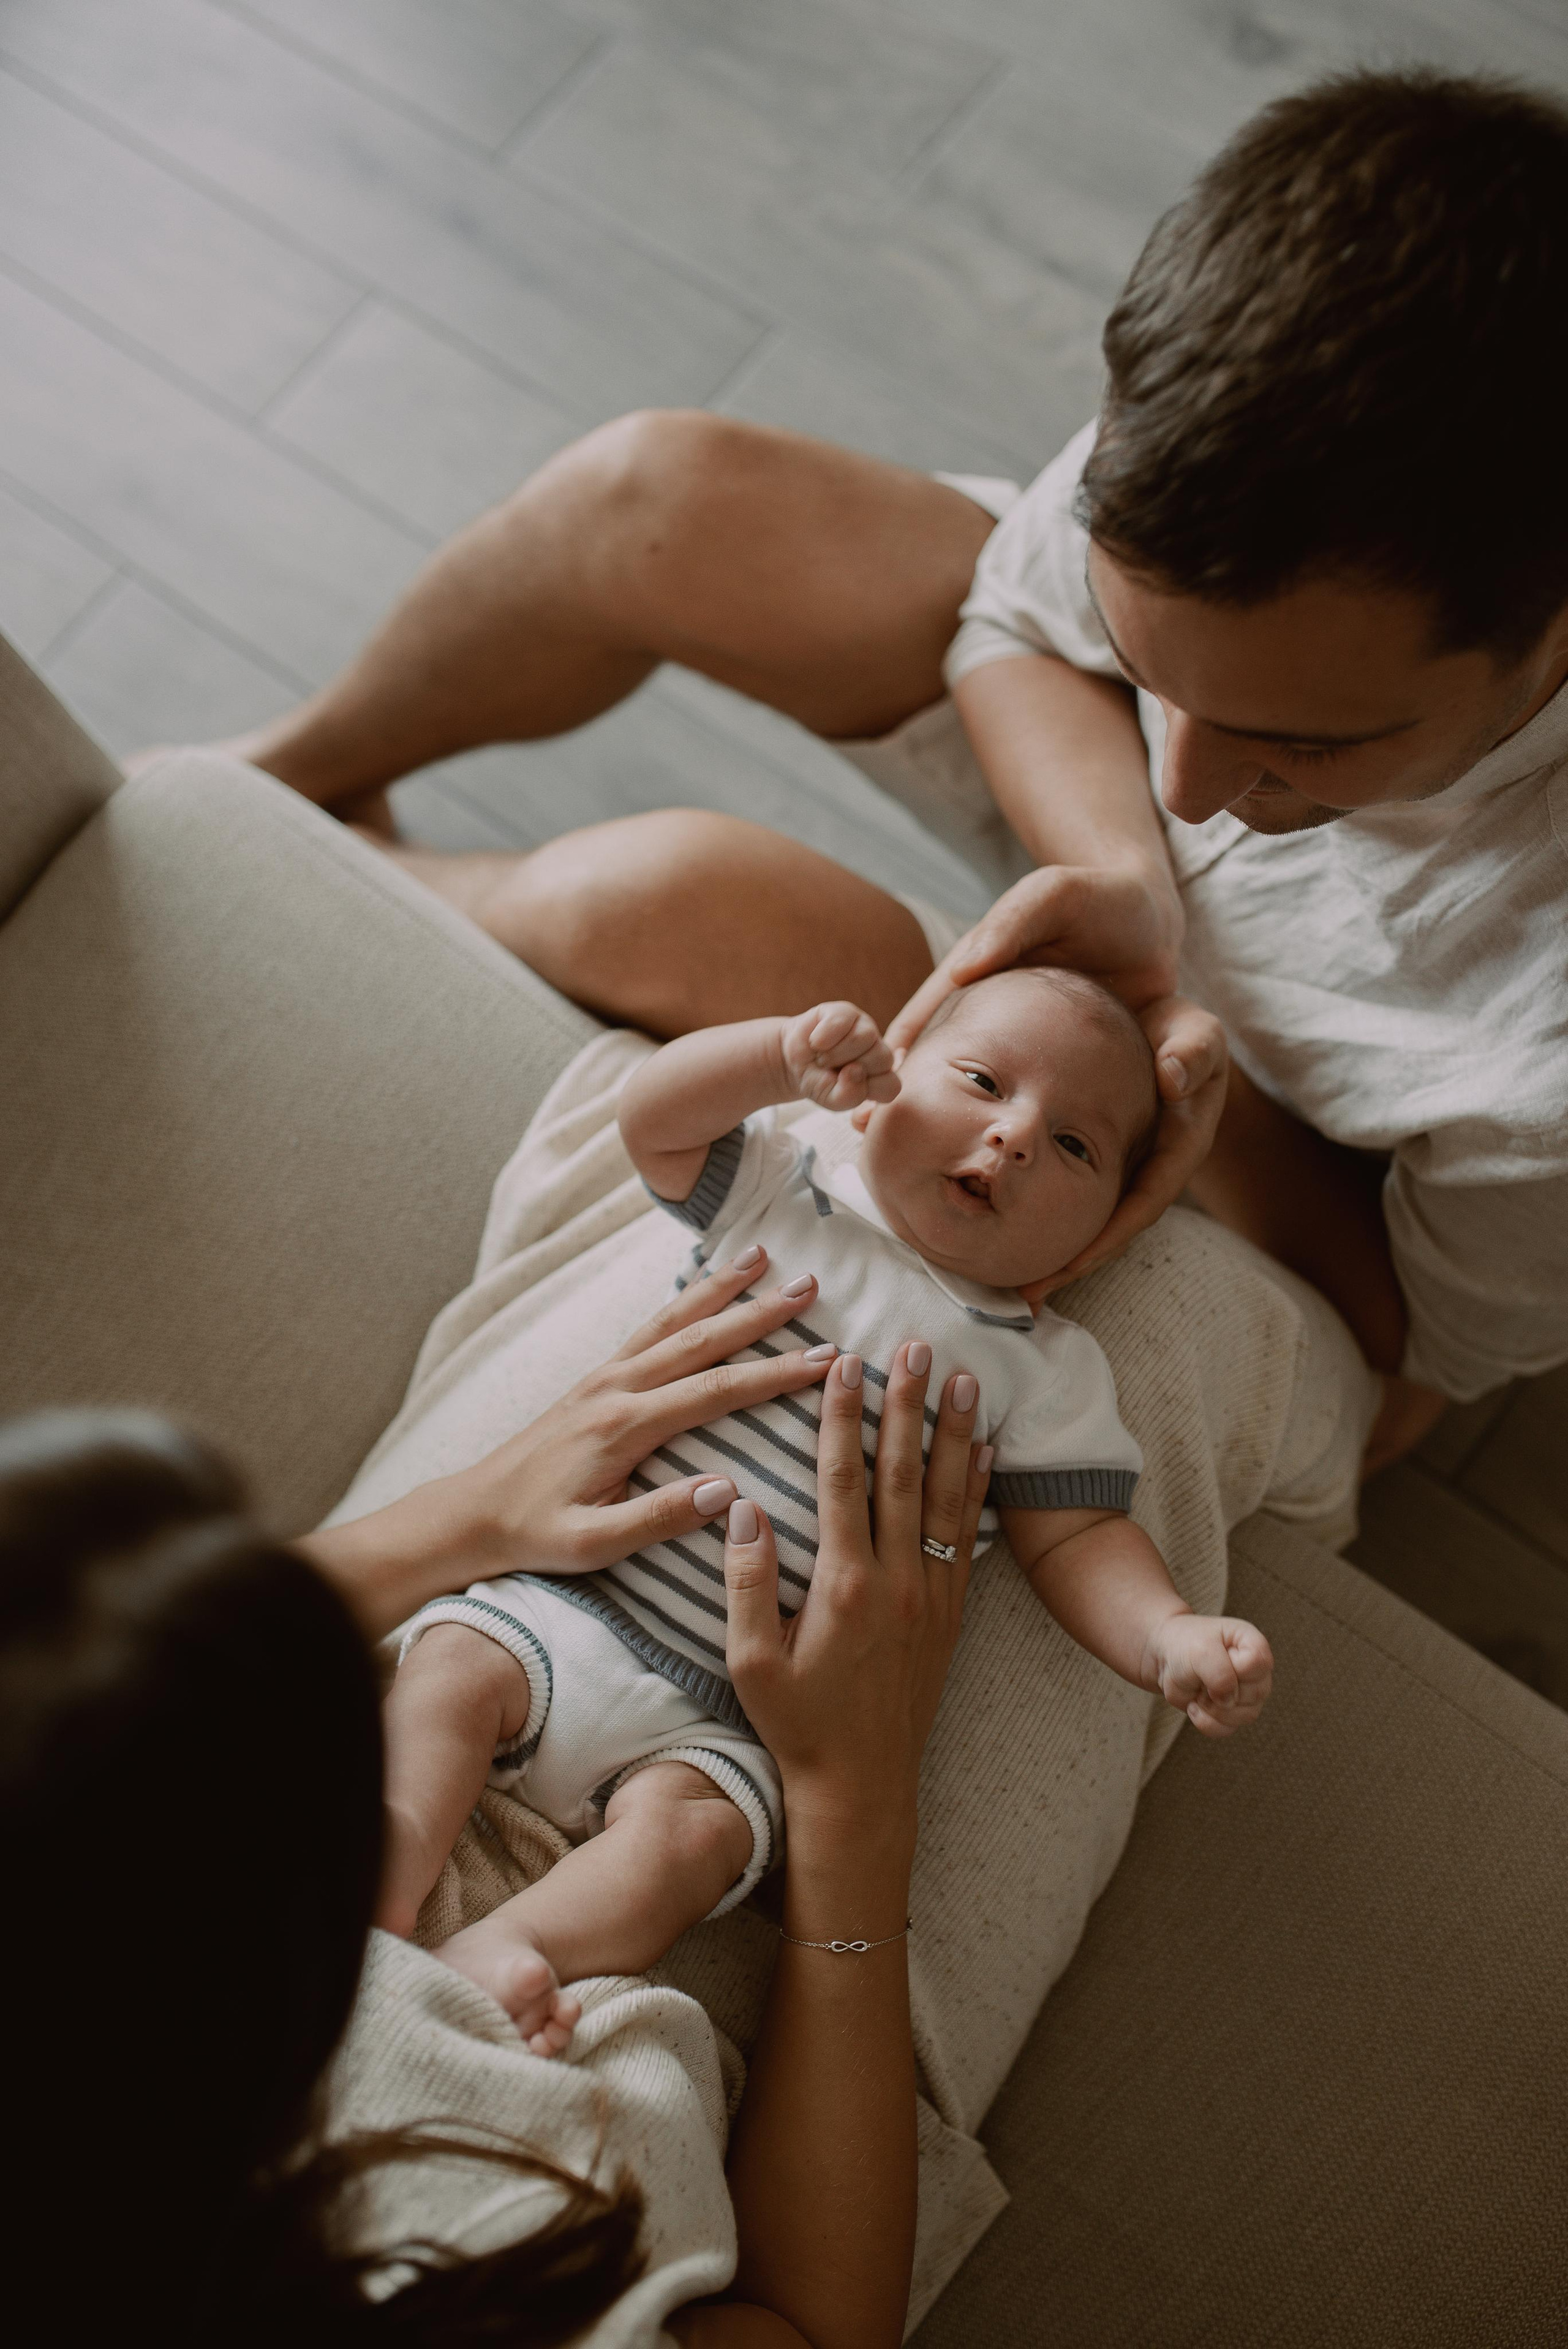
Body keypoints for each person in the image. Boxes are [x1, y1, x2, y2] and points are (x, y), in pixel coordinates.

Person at [193, 69, 1568, 1481]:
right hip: (1106, 886)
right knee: (657, 499)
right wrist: (1120, 875)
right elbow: (1010, 628)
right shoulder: (1266, 412)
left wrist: (1156, 1080)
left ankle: (276, 866)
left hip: (1272, 1171)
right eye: (1150, 668)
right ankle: (279, 777)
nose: (1189, 776)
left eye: (1305, 743)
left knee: (682, 899)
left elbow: (1409, 1368)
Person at [1, 1256, 990, 2349]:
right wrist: (861, 1809)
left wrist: (471, 1514)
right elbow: (807, 2328)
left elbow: (91, 1678)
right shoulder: (490, 2227)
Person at [379, 975, 1273, 2045]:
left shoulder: (1047, 1373)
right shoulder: (791, 1190)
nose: (1018, 1135)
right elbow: (652, 1122)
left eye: (1078, 1147)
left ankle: (515, 1949)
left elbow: (1079, 1535)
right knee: (448, 1675)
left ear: (1101, 1234)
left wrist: (1169, 1634)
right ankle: (395, 1840)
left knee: (688, 1846)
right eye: (983, 1080)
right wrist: (776, 1054)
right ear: (877, 1091)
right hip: (567, 1608)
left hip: (727, 1728)